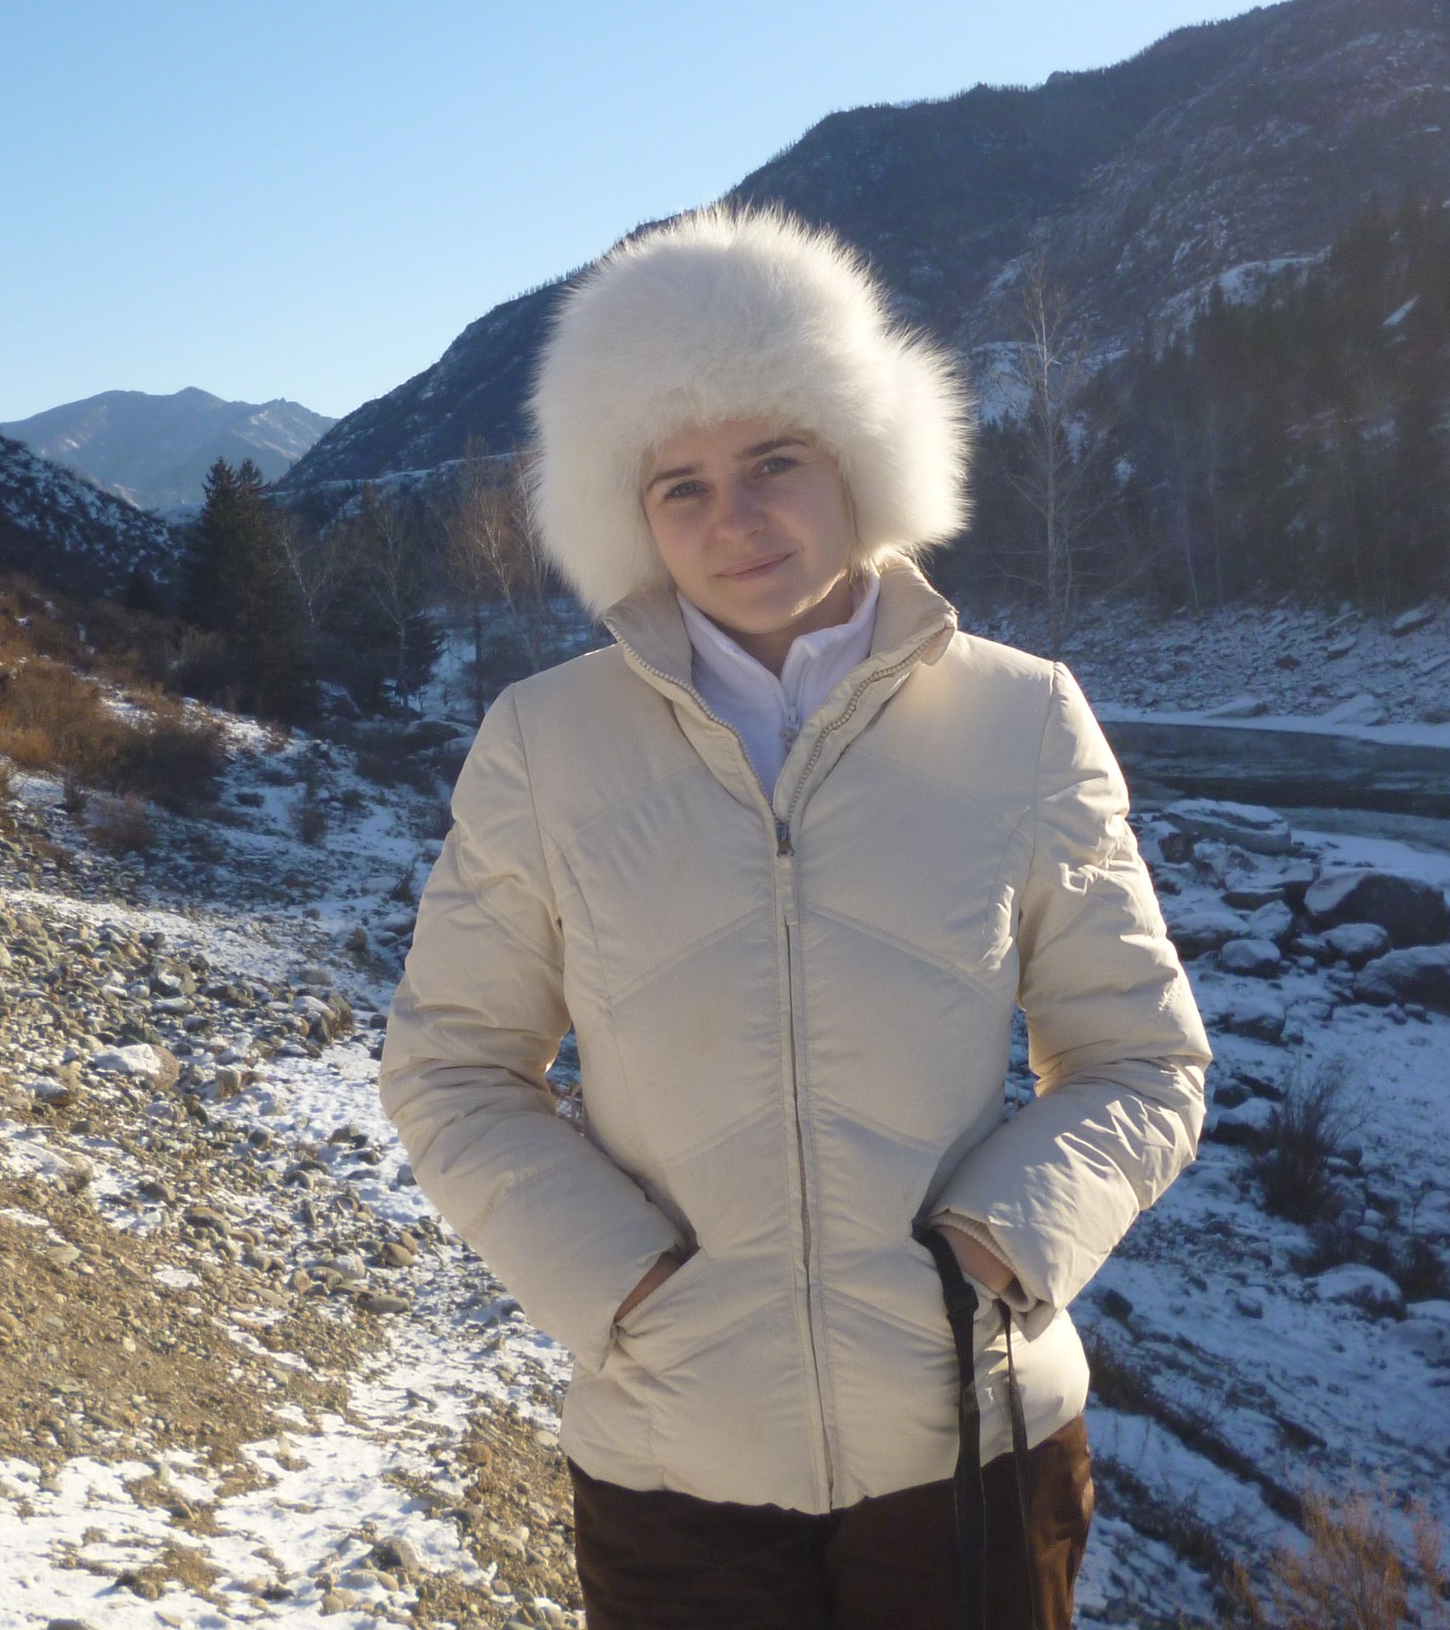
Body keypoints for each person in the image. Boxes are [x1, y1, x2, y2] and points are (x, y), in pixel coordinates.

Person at [380, 206, 1211, 1629]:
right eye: (681, 485)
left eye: (774, 461)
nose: (736, 519)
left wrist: (997, 1253)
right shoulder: (544, 744)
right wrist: (626, 1289)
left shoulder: (1022, 718)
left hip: (975, 1444)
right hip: (673, 1468)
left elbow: (1141, 1059)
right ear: (629, 516)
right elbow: (452, 1067)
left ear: (857, 459)